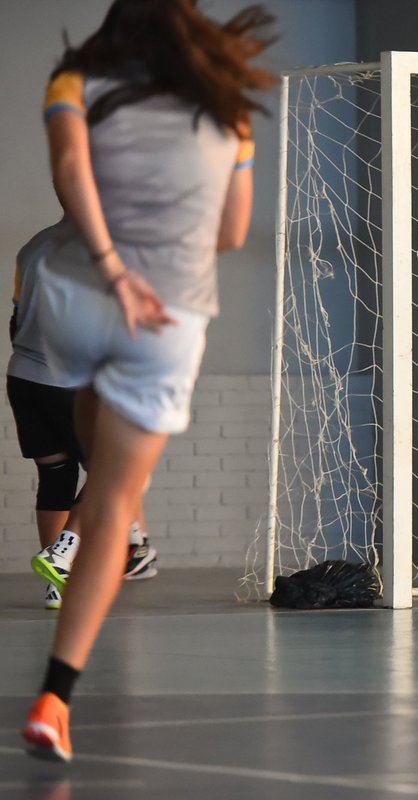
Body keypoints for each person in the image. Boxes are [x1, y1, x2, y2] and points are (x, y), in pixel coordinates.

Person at [19, 0, 275, 763]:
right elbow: (230, 233)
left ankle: (88, 482)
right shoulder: (228, 108)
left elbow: (70, 175)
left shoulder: (73, 79)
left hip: (67, 303)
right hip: (164, 317)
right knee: (113, 508)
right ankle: (54, 699)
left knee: (91, 447)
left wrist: (106, 266)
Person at [10, 239, 158, 613]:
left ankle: (56, 586)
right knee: (121, 466)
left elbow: (15, 322)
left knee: (56, 475)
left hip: (24, 376)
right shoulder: (102, 250)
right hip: (69, 381)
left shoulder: (32, 249)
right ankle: (71, 549)